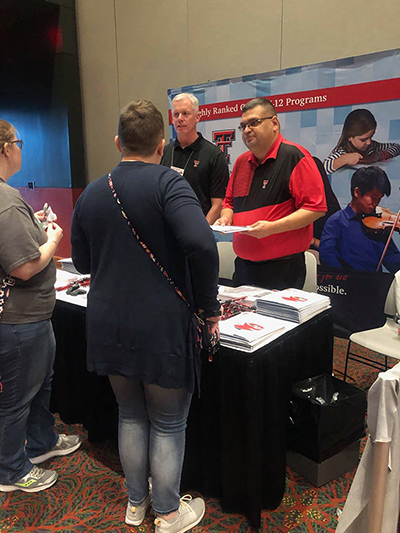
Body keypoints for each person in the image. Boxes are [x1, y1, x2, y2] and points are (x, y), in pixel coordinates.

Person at [71, 100, 221, 532]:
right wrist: (209, 308)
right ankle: (169, 514)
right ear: (161, 144)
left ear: (118, 143)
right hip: (160, 324)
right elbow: (203, 245)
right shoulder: (169, 184)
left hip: (106, 321)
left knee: (130, 414)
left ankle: (136, 505)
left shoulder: (93, 192)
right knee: (169, 420)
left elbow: (82, 263)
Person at [0, 120, 81, 494]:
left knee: (38, 387)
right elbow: (25, 266)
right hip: (19, 320)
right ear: (4, 148)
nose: (20, 148)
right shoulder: (4, 200)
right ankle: (11, 470)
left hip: (30, 317)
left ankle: (41, 443)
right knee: (16, 398)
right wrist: (52, 240)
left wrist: (35, 229)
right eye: (17, 142)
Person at [215, 98, 326, 290]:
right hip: (243, 266)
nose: (247, 130)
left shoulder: (295, 157)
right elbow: (229, 203)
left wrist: (272, 227)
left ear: (274, 123)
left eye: (254, 122)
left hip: (283, 269)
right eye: (243, 126)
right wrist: (225, 218)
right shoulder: (241, 163)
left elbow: (315, 209)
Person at [161, 93, 229, 224]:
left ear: (197, 117)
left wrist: (201, 231)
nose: (180, 118)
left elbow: (218, 204)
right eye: (176, 114)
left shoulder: (213, 155)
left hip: (198, 230)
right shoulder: (164, 152)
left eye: (185, 113)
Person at [319, 166, 400, 272]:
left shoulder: (380, 227)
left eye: (379, 198)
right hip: (346, 283)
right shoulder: (337, 221)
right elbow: (327, 256)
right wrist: (348, 278)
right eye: (373, 197)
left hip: (375, 284)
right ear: (357, 192)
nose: (376, 203)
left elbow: (393, 263)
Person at [324, 109, 400, 174]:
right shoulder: (341, 152)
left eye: (371, 137)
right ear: (350, 137)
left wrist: (378, 155)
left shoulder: (372, 146)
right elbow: (323, 168)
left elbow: (396, 147)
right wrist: (344, 159)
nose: (369, 142)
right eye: (363, 140)